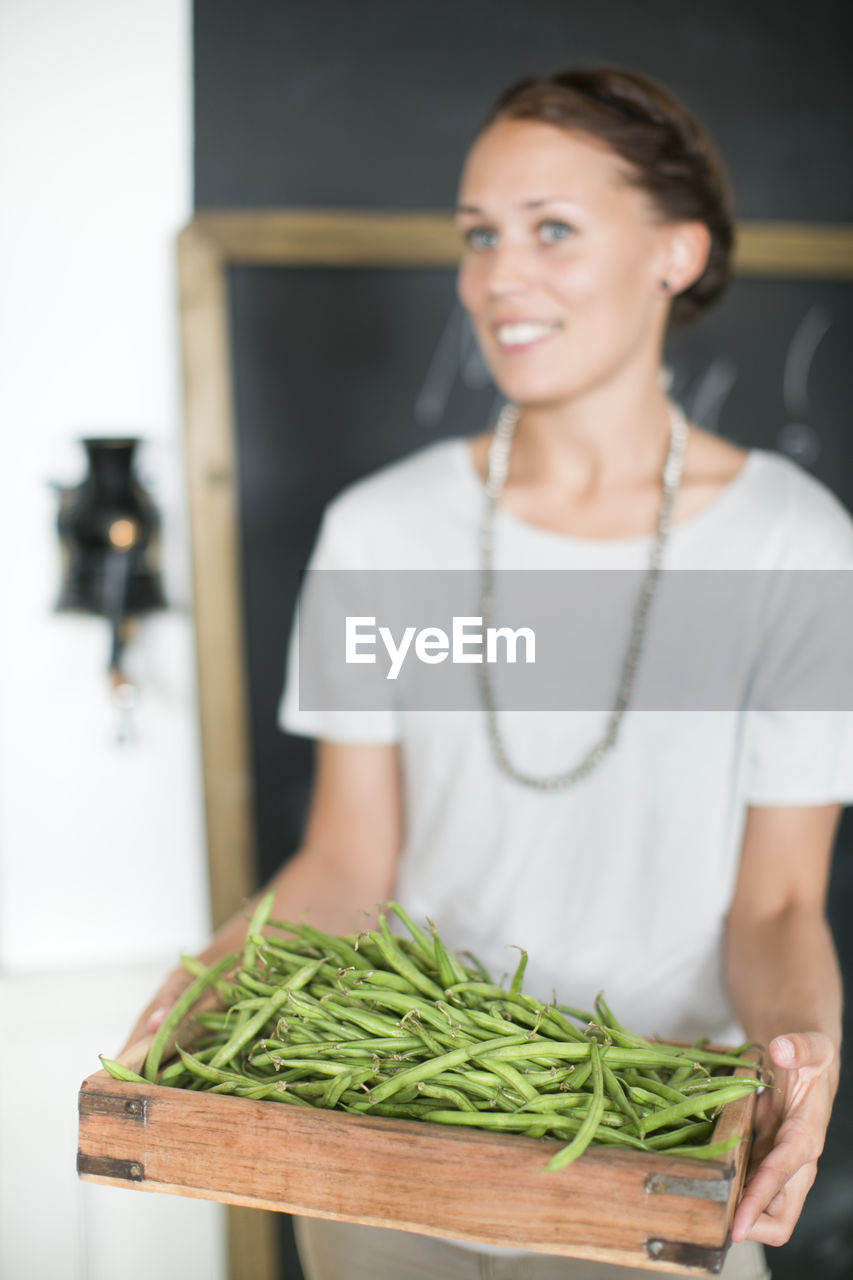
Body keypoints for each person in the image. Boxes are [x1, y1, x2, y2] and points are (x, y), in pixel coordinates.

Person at [126, 65, 850, 1280]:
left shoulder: (795, 547)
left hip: (648, 1158)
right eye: (478, 235)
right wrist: (218, 976)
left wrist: (802, 1055)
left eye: (552, 229)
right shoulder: (383, 530)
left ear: (676, 251)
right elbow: (351, 855)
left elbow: (774, 902)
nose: (497, 276)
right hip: (380, 1140)